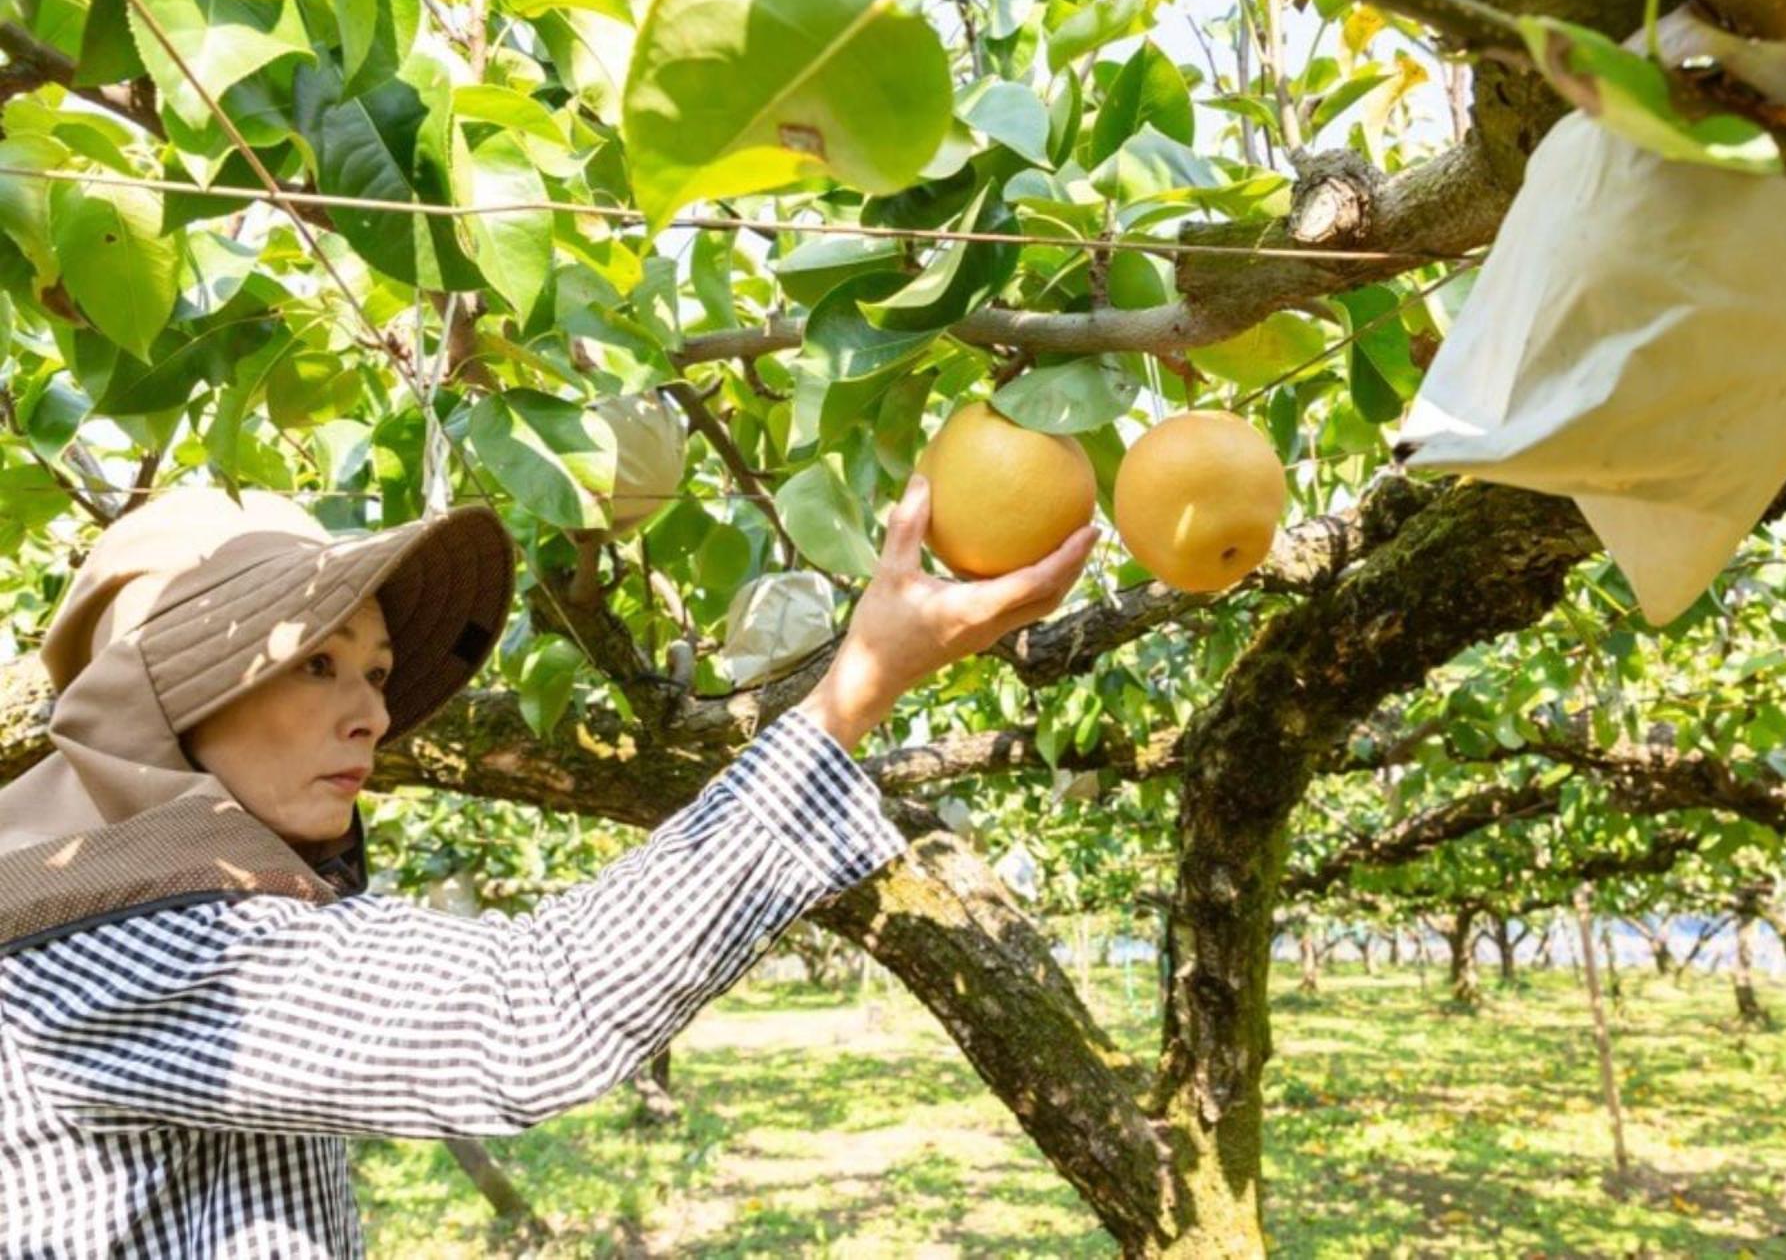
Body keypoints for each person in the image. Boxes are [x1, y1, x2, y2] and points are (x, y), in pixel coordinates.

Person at [0, 477, 1096, 1256]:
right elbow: (530, 1013)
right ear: (165, 701)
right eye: (315, 662)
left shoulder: (169, 886)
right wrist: (858, 684)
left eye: (376, 669)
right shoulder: (124, 931)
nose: (374, 710)